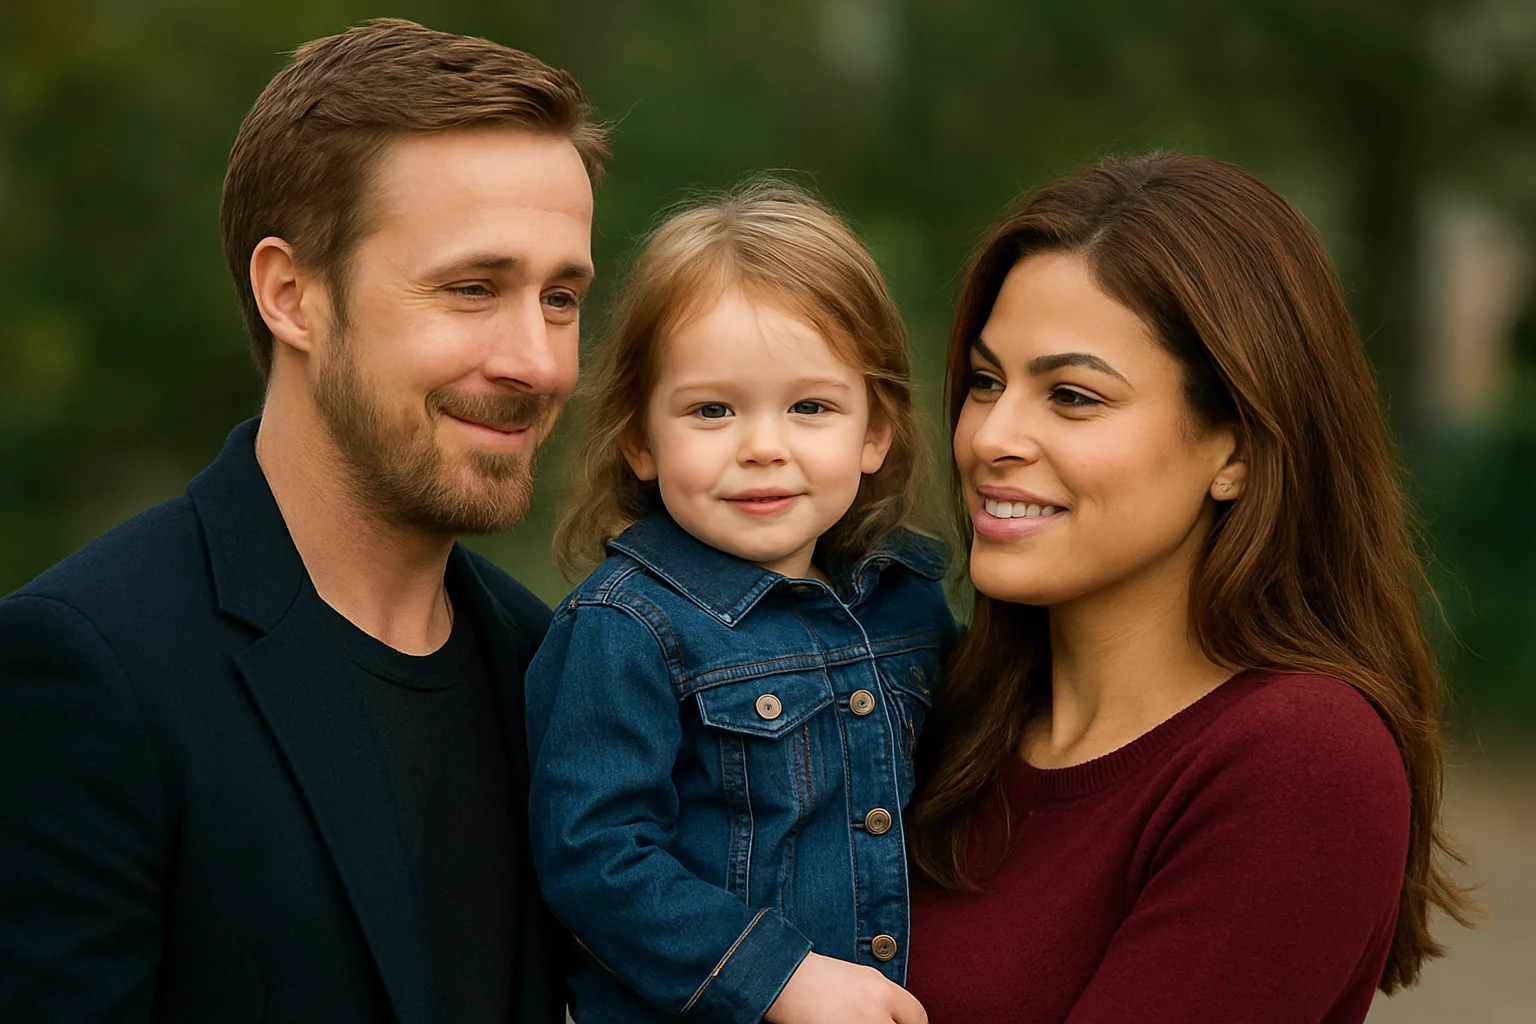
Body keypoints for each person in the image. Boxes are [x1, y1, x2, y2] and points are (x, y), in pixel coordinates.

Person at [0, 19, 606, 1023]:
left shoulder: (554, 672)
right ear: (292, 294)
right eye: (471, 288)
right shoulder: (87, 670)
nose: (537, 362)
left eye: (560, 297)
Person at [902, 153, 1475, 1024]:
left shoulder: (1300, 762)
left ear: (1236, 449)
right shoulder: (922, 714)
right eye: (986, 382)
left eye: (1072, 395)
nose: (990, 436)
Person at [525, 182, 955, 1024]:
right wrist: (782, 977)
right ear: (641, 439)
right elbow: (597, 860)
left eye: (810, 407)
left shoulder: (907, 606)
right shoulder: (625, 629)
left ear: (875, 433)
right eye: (712, 409)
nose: (764, 447)